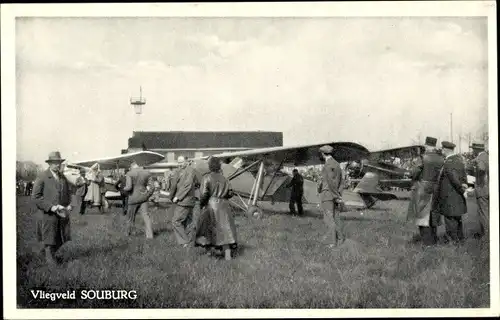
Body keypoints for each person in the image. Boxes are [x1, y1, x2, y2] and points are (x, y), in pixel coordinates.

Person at [32, 151, 72, 265]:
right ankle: (51, 263)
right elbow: (35, 197)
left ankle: (45, 255)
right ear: (49, 163)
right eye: (55, 163)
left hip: (61, 213)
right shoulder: (42, 176)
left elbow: (68, 192)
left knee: (61, 237)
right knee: (49, 239)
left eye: (59, 162)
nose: (58, 165)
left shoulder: (62, 177)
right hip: (48, 214)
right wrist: (51, 207)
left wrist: (68, 204)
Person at [195, 157, 238, 260]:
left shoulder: (207, 177)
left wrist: (202, 204)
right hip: (224, 206)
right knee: (226, 232)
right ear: (219, 166)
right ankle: (228, 256)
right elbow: (231, 192)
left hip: (211, 205)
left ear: (210, 166)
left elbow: (204, 194)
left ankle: (209, 254)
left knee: (208, 230)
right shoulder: (225, 178)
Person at [406, 137, 444, 245]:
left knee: (422, 216)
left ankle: (427, 242)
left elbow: (414, 173)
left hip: (423, 188)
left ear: (426, 145)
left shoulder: (422, 158)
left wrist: (411, 175)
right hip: (436, 188)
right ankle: (434, 239)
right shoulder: (441, 158)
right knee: (433, 215)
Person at [433, 141, 468, 244]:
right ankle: (460, 240)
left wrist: (462, 189)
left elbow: (454, 179)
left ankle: (453, 242)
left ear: (445, 150)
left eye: (442, 149)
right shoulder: (459, 160)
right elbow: (464, 176)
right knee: (457, 219)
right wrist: (464, 187)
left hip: (449, 196)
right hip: (458, 196)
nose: (442, 151)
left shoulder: (448, 162)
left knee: (450, 220)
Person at [317, 145, 345, 248]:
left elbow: (330, 182)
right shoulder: (337, 164)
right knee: (335, 218)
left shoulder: (328, 165)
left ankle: (332, 242)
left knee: (328, 219)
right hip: (335, 194)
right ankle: (340, 239)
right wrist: (339, 194)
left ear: (323, 154)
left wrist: (335, 195)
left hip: (328, 195)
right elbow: (342, 181)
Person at [170, 156, 200, 247]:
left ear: (186, 161)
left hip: (185, 200)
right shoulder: (182, 171)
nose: (179, 164)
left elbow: (187, 185)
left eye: (181, 162)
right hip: (189, 200)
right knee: (188, 222)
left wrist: (177, 197)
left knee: (176, 221)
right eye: (178, 162)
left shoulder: (190, 170)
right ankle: (190, 242)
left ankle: (185, 241)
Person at [123, 161, 155, 239]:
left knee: (130, 217)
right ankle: (150, 236)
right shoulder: (147, 173)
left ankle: (128, 234)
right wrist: (148, 195)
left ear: (131, 167)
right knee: (146, 216)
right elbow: (152, 187)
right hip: (144, 197)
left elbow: (129, 187)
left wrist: (123, 188)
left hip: (133, 198)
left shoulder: (129, 173)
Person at [471, 142, 489, 239]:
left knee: (483, 213)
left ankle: (485, 235)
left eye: (473, 148)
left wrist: (479, 180)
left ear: (477, 149)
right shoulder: (487, 156)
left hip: (482, 189)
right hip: (488, 188)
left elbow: (481, 169)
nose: (472, 150)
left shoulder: (480, 158)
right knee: (487, 212)